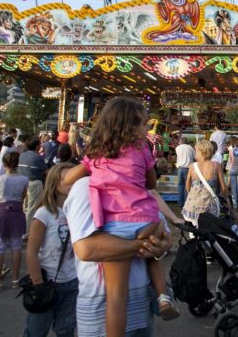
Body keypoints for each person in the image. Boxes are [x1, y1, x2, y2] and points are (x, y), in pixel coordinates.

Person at [62, 97, 178, 336]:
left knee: (116, 296)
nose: (147, 129)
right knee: (152, 254)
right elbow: (151, 183)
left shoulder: (97, 153)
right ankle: (162, 295)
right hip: (147, 221)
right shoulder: (142, 149)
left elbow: (67, 179)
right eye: (144, 124)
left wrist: (89, 169)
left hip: (115, 226)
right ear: (131, 125)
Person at [64, 175, 172, 337]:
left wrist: (161, 246)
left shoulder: (137, 184)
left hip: (141, 308)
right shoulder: (85, 186)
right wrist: (142, 244)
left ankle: (163, 297)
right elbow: (86, 249)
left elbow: (162, 231)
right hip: (99, 310)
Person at [24, 163, 78, 337]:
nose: (71, 183)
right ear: (54, 183)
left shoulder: (77, 211)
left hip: (73, 282)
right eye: (66, 180)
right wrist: (38, 283)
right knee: (37, 331)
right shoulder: (44, 213)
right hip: (47, 283)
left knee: (66, 330)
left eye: (74, 179)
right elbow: (31, 251)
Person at [0, 152, 29, 292]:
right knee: (16, 246)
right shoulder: (24, 179)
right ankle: (15, 279)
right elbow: (23, 195)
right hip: (16, 211)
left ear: (4, 164)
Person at [182, 140, 228, 226]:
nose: (195, 153)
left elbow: (187, 187)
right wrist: (226, 201)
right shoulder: (216, 165)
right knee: (209, 231)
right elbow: (224, 188)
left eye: (196, 151)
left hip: (192, 208)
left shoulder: (192, 166)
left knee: (194, 232)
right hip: (209, 209)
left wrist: (195, 196)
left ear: (202, 152)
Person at [18, 136, 49, 239]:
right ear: (37, 146)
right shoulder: (37, 157)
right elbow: (46, 172)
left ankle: (22, 229)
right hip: (34, 183)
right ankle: (26, 232)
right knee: (32, 208)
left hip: (22, 182)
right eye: (39, 144)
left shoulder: (21, 155)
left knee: (24, 207)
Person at [175, 137, 196, 207]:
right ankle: (187, 203)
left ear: (181, 141)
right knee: (188, 185)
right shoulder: (190, 148)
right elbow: (195, 157)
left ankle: (180, 202)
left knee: (180, 186)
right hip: (188, 168)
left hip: (180, 168)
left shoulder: (177, 148)